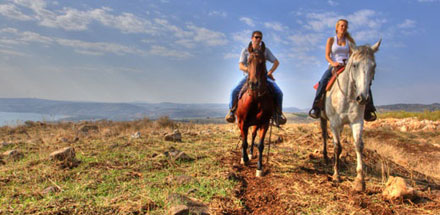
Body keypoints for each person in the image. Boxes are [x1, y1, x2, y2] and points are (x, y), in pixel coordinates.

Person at [308, 19, 377, 121]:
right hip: (333, 67)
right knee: (322, 82)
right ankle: (316, 107)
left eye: (345, 26)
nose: (343, 28)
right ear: (337, 27)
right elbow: (327, 55)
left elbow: (352, 56)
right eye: (341, 26)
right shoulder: (331, 40)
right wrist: (333, 63)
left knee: (364, 82)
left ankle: (369, 109)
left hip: (346, 67)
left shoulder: (349, 43)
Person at [225, 30, 286, 125]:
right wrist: (251, 71)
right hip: (248, 77)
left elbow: (276, 62)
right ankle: (232, 112)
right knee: (234, 90)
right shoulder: (245, 50)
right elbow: (240, 66)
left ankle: (278, 115)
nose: (258, 39)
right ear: (252, 38)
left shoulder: (266, 50)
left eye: (260, 37)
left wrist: (270, 72)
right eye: (256, 37)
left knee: (279, 92)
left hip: (264, 77)